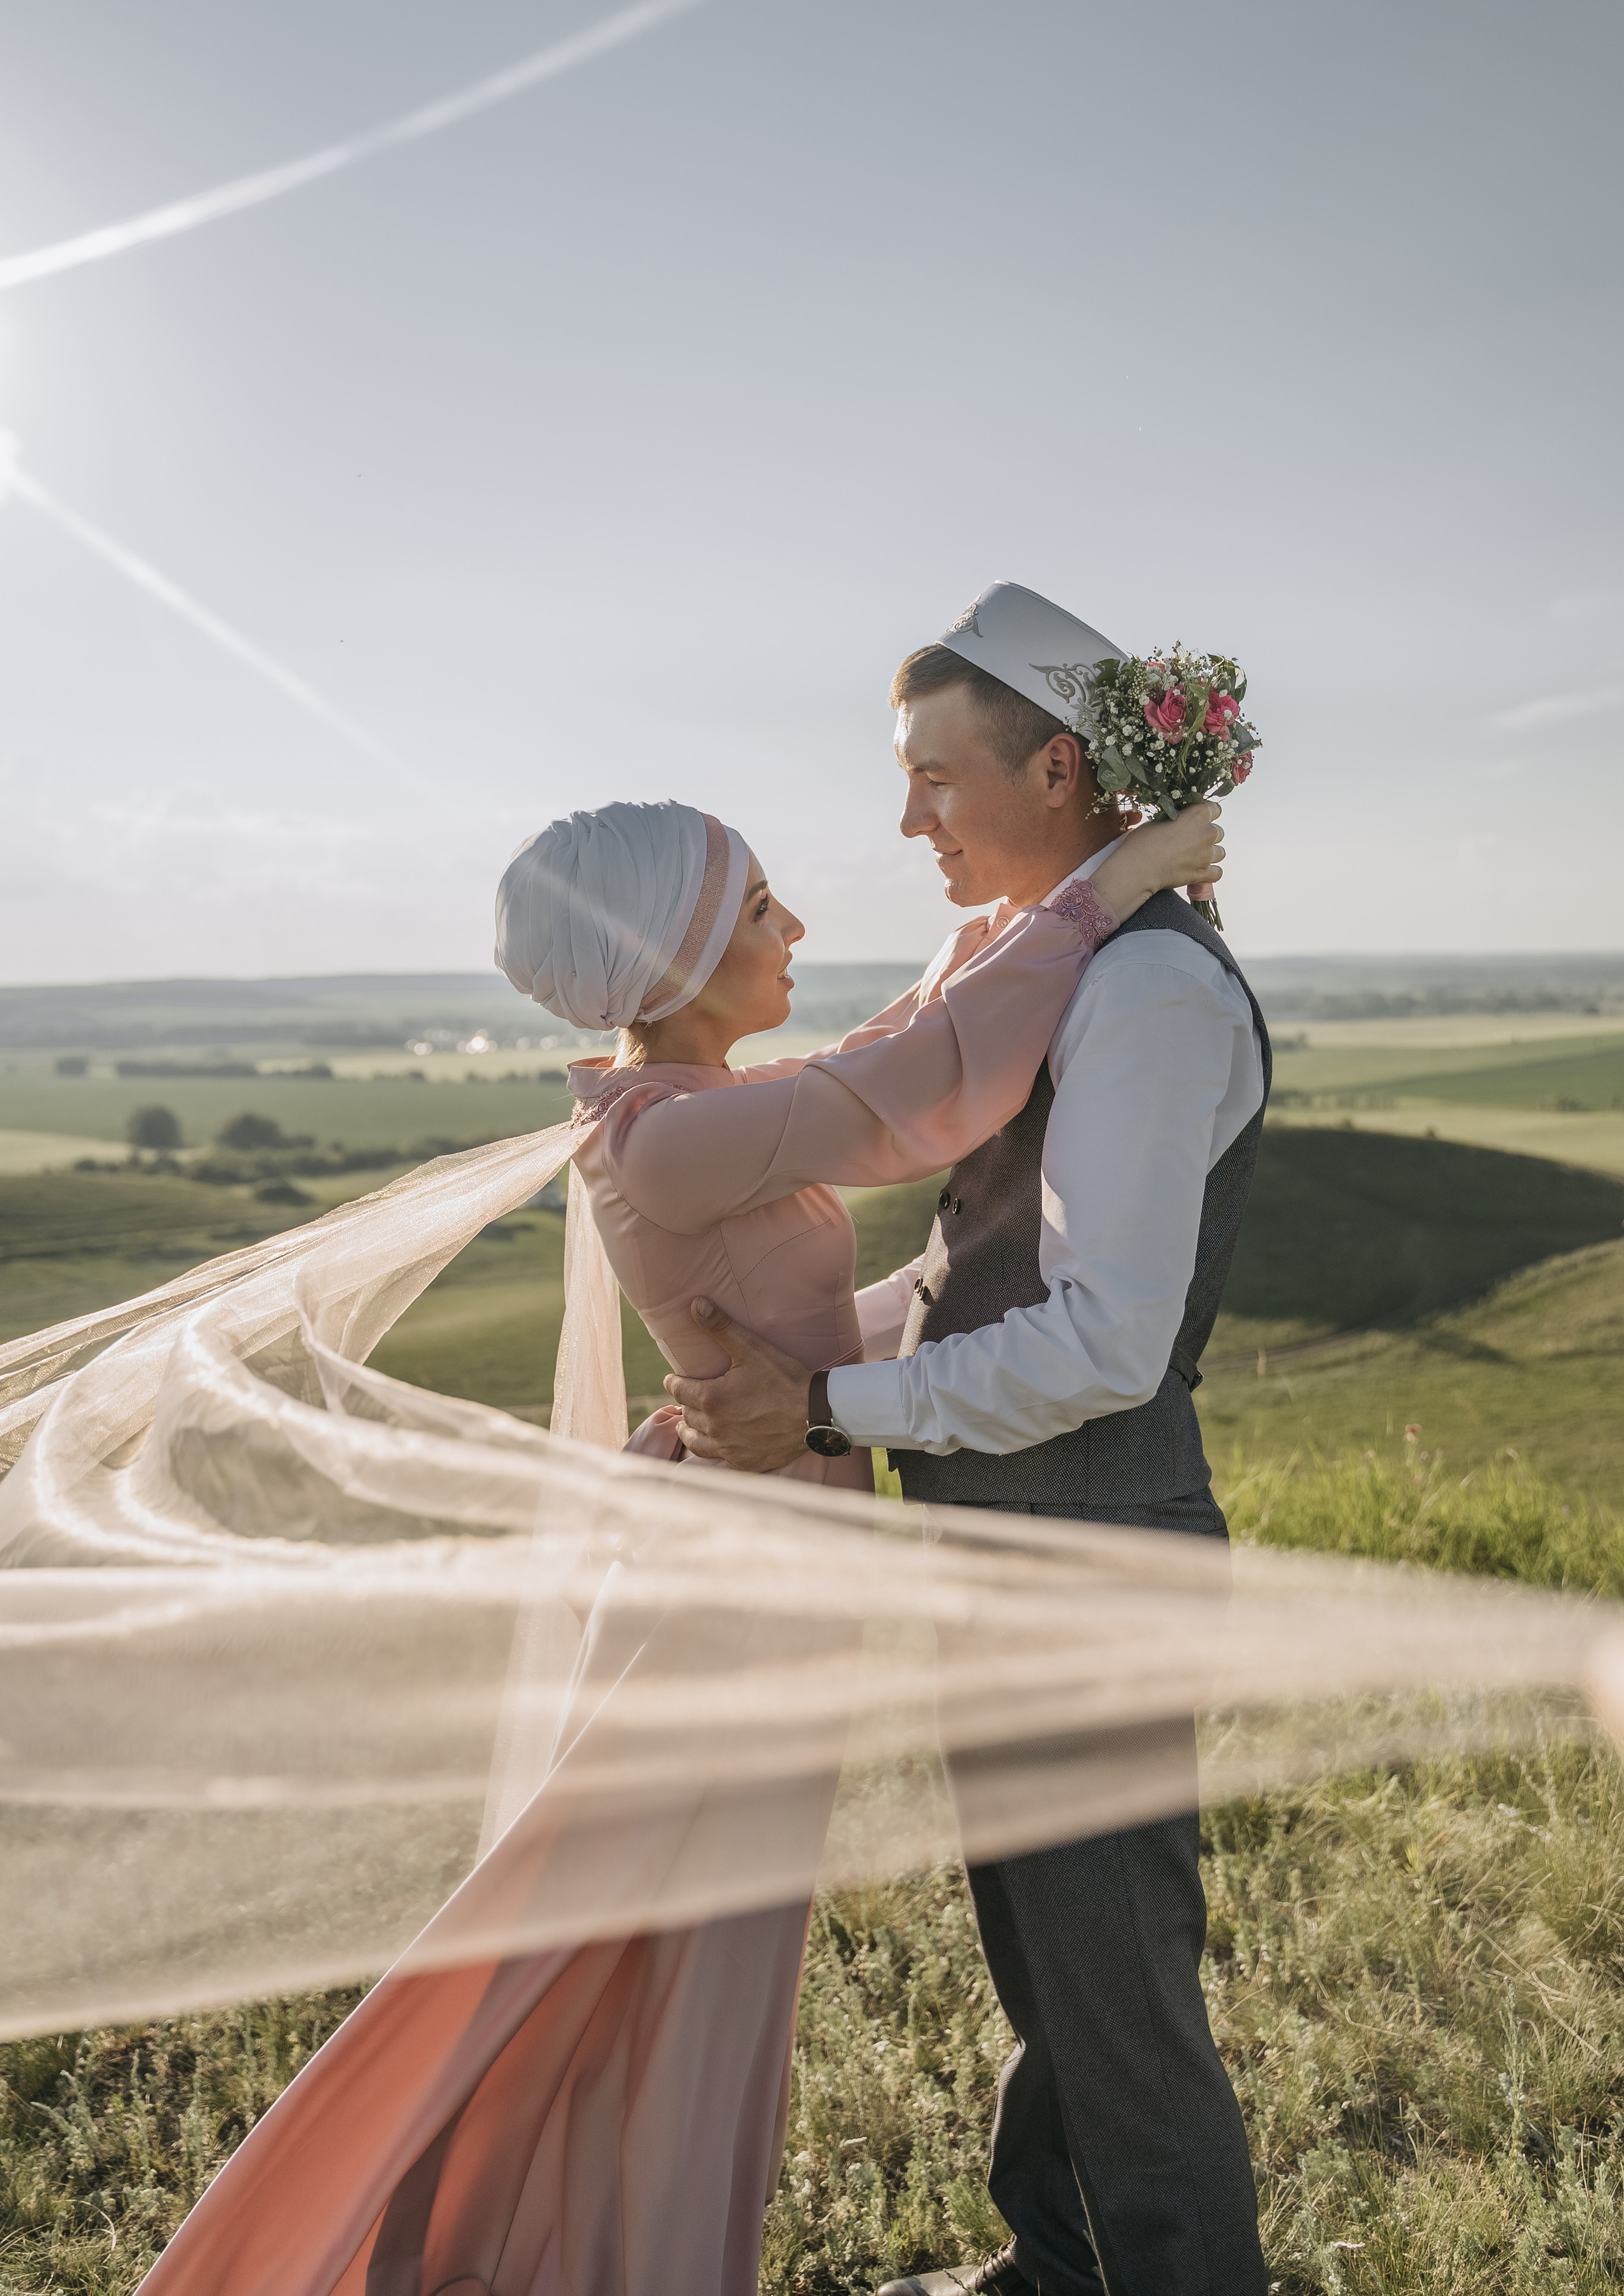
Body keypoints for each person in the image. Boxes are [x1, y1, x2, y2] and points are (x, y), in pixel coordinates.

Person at [133, 787, 1220, 2296]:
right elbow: (909, 1084)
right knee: (649, 1953)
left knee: (686, 1952)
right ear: (676, 954)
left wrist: (1000, 928)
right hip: (738, 1580)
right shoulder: (672, 1142)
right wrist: (1098, 895)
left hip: (765, 1545)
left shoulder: (687, 1110)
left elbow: (883, 1053)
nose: (796, 925)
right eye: (762, 907)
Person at [664, 581, 1273, 2296]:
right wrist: (774, 1373)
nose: (908, 819)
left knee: (1119, 1998)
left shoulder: (1145, 995)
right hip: (1019, 1541)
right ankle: (1054, 2268)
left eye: (935, 776)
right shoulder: (1047, 970)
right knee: (1048, 1959)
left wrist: (826, 1408)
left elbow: (1105, 1343)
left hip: (1096, 1551)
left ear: (1058, 770)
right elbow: (965, 1278)